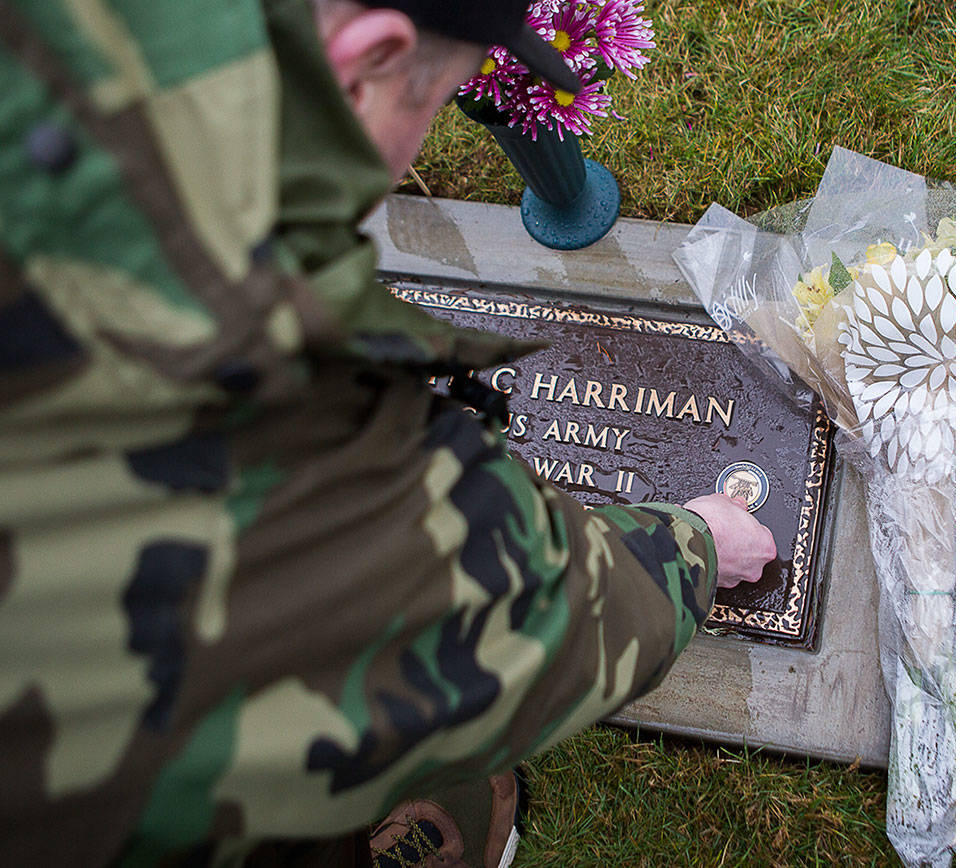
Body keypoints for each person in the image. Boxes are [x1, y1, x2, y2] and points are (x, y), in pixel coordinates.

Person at [0, 0, 776, 865]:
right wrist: (695, 545)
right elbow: (537, 622)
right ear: (369, 60)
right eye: (440, 98)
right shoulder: (285, 450)